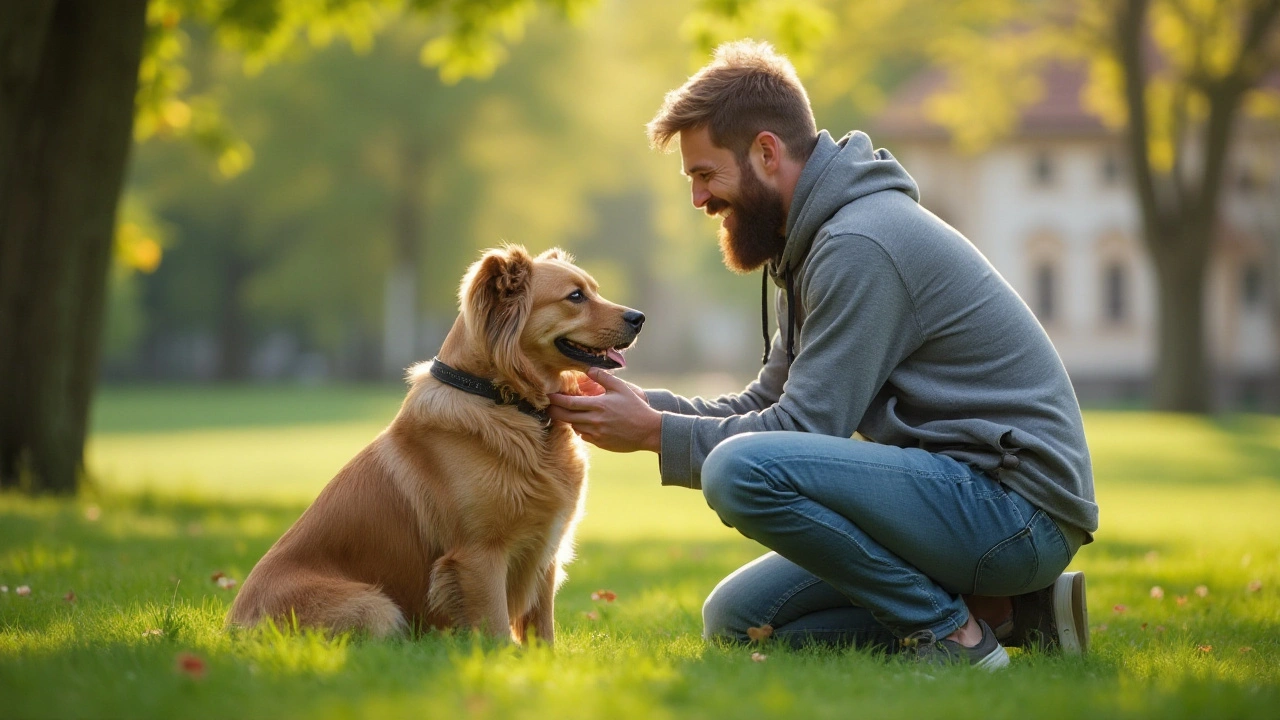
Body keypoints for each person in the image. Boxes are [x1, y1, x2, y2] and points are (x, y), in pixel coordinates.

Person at [546, 40, 1097, 669]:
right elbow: (768, 404)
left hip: (1014, 510)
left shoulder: (859, 244)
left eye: (704, 175)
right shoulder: (810, 245)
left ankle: (953, 636)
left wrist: (655, 435)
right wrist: (646, 408)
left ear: (766, 152)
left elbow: (800, 431)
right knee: (738, 622)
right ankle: (1017, 613)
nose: (698, 200)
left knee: (738, 472)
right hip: (962, 503)